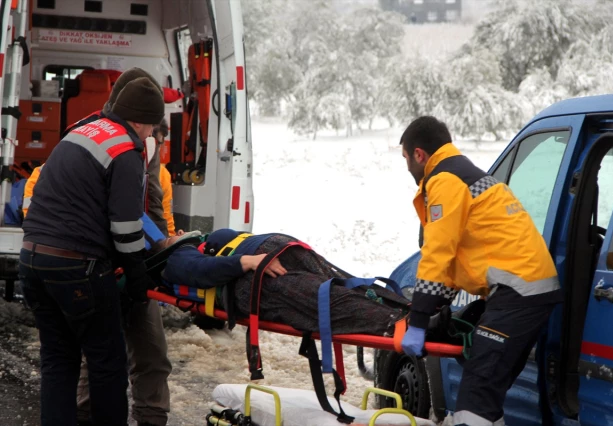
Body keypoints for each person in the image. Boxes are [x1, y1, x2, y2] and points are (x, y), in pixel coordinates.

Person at [22, 69, 174, 426]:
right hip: (76, 267)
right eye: (152, 126)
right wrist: (137, 272)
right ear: (141, 121)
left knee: (59, 360)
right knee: (108, 363)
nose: (152, 134)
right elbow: (124, 226)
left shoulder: (82, 130)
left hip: (33, 260)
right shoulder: (126, 148)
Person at [398, 116, 562, 426]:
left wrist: (418, 321)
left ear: (419, 154)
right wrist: (435, 307)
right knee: (486, 395)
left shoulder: (445, 180)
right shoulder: (466, 173)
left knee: (476, 396)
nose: (407, 167)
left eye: (405, 158)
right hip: (525, 288)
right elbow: (458, 256)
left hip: (518, 292)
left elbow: (438, 252)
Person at [156, 229, 408, 337]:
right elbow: (201, 270)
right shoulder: (175, 259)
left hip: (272, 256)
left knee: (344, 290)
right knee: (334, 297)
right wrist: (248, 261)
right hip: (256, 272)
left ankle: (410, 314)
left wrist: (253, 259)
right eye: (170, 237)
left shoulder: (201, 243)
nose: (177, 232)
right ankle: (406, 320)